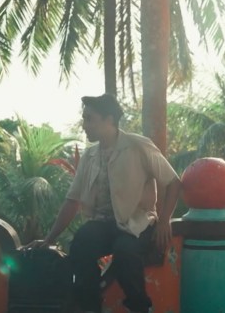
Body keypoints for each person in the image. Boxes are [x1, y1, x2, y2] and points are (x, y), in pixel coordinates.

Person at [27, 94, 182, 313]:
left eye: (89, 119)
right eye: (84, 118)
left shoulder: (138, 146)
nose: (84, 125)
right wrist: (49, 239)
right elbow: (72, 200)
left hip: (137, 223)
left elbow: (174, 182)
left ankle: (140, 308)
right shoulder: (90, 156)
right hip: (102, 224)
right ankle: (90, 307)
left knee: (125, 250)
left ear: (109, 119)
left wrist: (164, 221)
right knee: (81, 244)